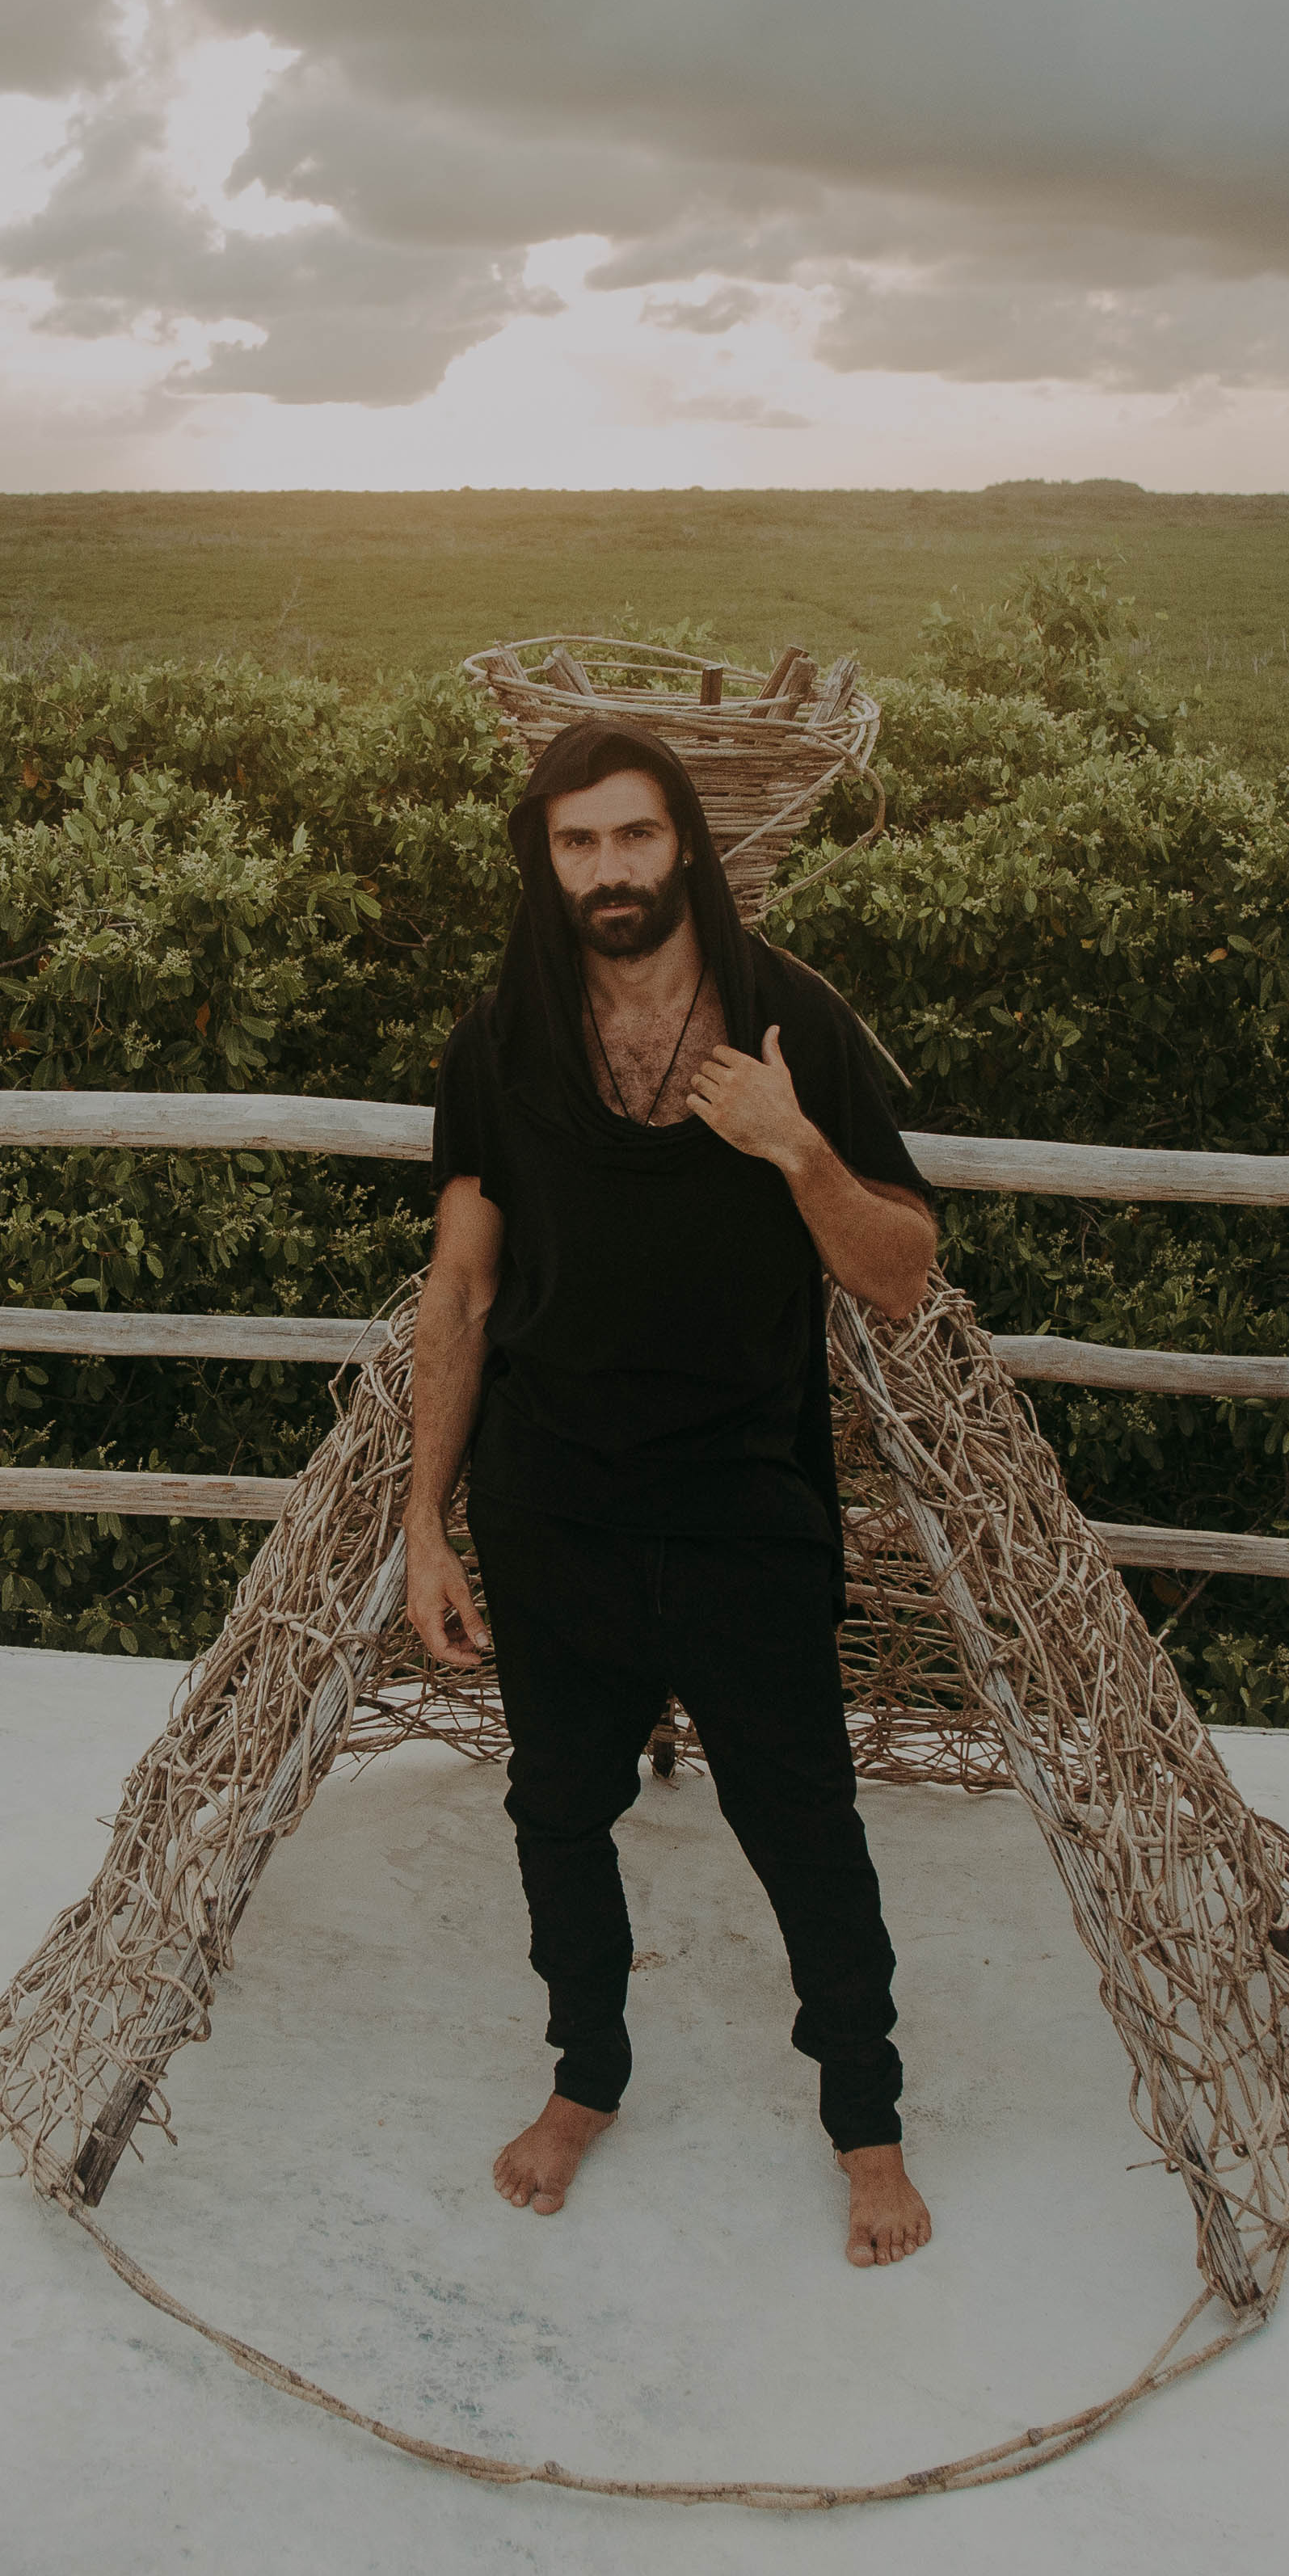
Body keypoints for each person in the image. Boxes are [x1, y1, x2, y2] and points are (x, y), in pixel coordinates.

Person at [403, 714, 943, 2269]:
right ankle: (588, 2077)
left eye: (635, 836)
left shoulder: (792, 1021)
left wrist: (792, 1150)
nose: (609, 870)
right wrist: (422, 1520)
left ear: (685, 841)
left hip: (741, 1498)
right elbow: (459, 1287)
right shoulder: (502, 1036)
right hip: (549, 1496)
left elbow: (900, 1275)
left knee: (804, 1822)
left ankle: (866, 2121)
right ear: (545, 860)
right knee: (556, 1812)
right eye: (578, 843)